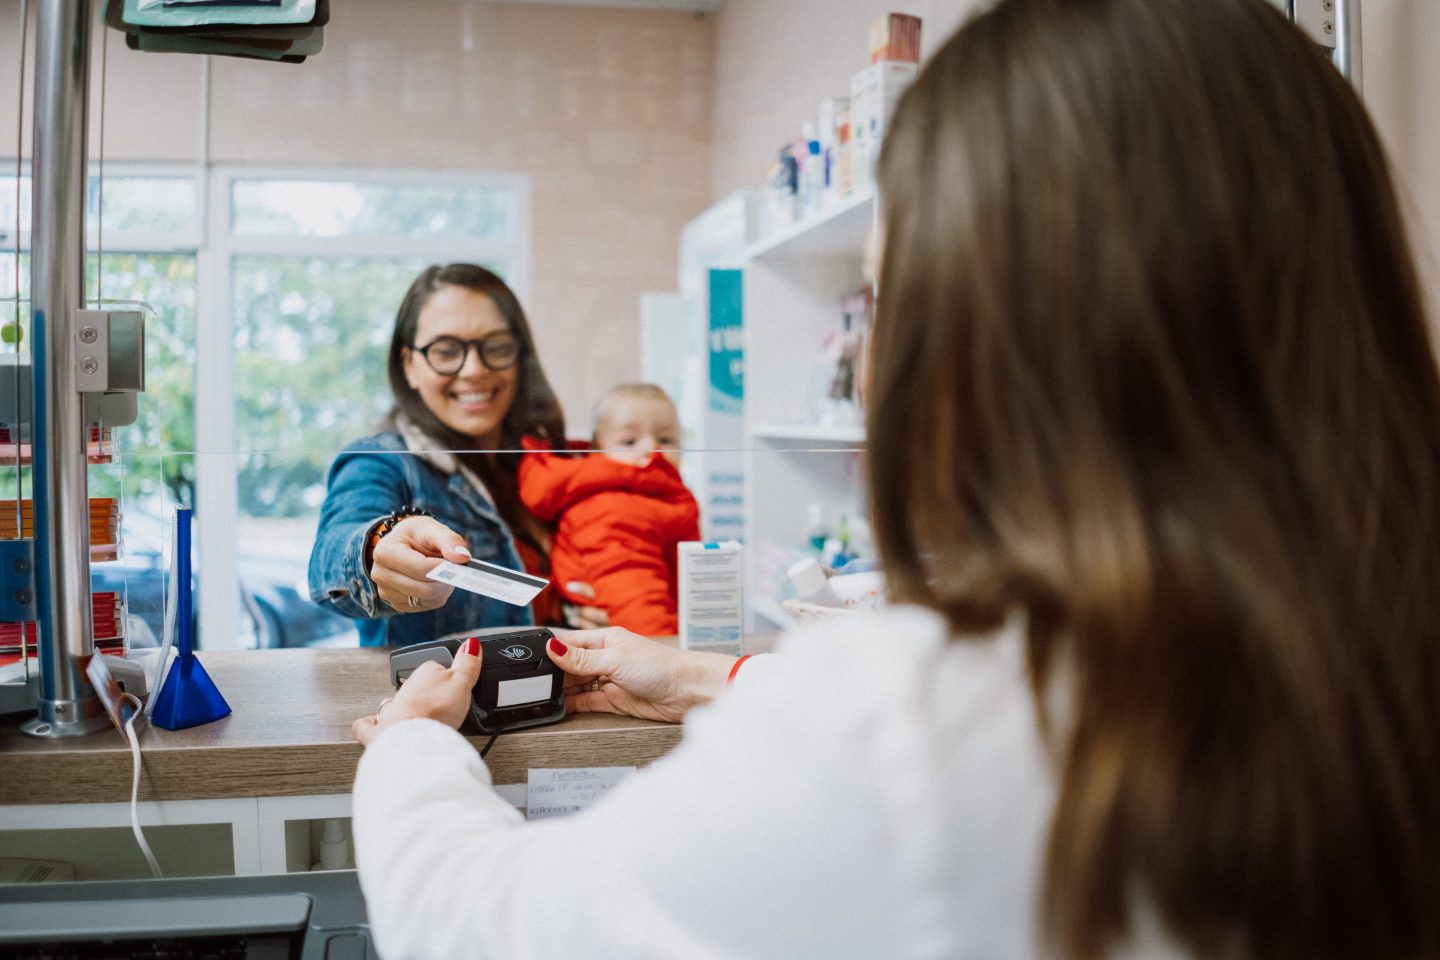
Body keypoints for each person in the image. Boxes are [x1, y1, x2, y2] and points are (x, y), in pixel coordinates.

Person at [349, 0, 1440, 957]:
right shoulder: (1369, 657)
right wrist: (702, 679)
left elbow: (489, 926)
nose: (870, 360)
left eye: (880, 304)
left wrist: (406, 756)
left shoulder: (914, 730)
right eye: (445, 350)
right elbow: (349, 537)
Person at [308, 263, 585, 646]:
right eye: (446, 351)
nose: (473, 370)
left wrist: (592, 615)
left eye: (496, 348)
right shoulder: (382, 459)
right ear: (409, 365)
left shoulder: (555, 462)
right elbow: (333, 550)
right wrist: (377, 548)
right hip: (443, 705)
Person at [517, 383, 701, 636]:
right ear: (597, 451)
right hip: (645, 639)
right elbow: (633, 593)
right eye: (629, 441)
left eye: (666, 439)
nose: (651, 448)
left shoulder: (657, 497)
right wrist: (667, 650)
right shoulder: (613, 507)